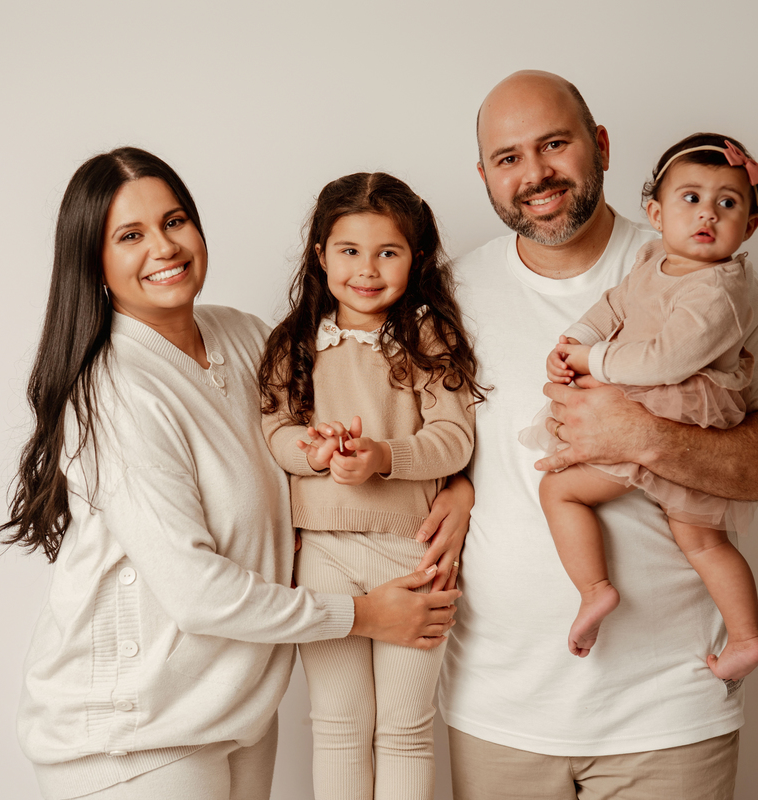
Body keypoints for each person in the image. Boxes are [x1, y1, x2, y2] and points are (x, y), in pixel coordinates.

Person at [0, 148, 464, 800]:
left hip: (233, 713)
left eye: (175, 220)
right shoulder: (116, 391)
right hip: (135, 737)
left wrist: (458, 487)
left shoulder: (246, 339)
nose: (163, 246)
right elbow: (196, 592)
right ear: (93, 262)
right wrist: (361, 614)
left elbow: (366, 422)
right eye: (130, 235)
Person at [438, 71, 758, 800]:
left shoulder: (711, 278)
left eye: (556, 144)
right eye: (508, 157)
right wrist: (457, 489)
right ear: (486, 175)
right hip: (500, 707)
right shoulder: (453, 293)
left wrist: (643, 436)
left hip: (668, 714)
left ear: (602, 145)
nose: (536, 173)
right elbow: (430, 443)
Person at [258, 172, 483, 800]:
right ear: (320, 255)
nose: (367, 268)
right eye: (349, 251)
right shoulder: (294, 344)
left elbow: (454, 439)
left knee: (407, 730)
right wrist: (313, 450)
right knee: (336, 726)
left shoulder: (427, 339)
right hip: (323, 554)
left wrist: (384, 455)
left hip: (411, 553)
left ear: (417, 257)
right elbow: (273, 431)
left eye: (388, 251)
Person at [521, 133, 758, 681]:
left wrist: (593, 359)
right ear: (656, 213)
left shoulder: (720, 290)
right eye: (691, 198)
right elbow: (614, 303)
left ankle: (595, 590)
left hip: (676, 413)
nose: (707, 213)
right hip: (655, 405)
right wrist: (573, 341)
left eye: (728, 203)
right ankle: (746, 638)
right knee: (700, 538)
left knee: (560, 489)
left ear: (749, 226)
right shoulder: (654, 259)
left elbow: (665, 360)